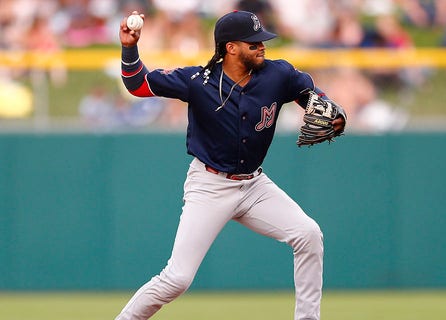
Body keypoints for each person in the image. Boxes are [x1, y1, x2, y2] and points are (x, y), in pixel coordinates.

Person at [115, 10, 346, 320]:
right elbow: (137, 84)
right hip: (210, 184)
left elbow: (310, 95)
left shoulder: (278, 75)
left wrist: (332, 112)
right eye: (254, 43)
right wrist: (130, 47)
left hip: (254, 185)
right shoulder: (198, 81)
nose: (262, 46)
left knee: (308, 234)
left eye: (262, 41)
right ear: (231, 48)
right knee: (177, 279)